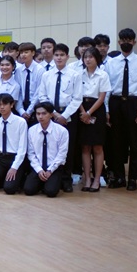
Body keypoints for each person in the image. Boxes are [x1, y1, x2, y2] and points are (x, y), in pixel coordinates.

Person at [104, 28, 137, 191]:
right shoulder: (111, 63)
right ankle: (119, 176)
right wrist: (106, 109)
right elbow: (106, 88)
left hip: (132, 103)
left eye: (129, 40)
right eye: (123, 40)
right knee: (116, 142)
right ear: (119, 42)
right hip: (115, 102)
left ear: (134, 42)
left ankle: (132, 178)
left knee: (134, 142)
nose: (126, 43)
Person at [35, 43, 82, 192]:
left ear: (67, 57)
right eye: (56, 55)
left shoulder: (74, 75)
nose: (59, 58)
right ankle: (50, 176)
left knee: (68, 148)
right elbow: (42, 96)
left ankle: (66, 179)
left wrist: (64, 115)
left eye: (62, 55)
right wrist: (54, 114)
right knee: (50, 146)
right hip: (50, 113)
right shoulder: (46, 75)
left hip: (68, 115)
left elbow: (77, 98)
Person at [78, 47, 110, 193]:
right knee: (85, 147)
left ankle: (97, 179)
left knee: (97, 146)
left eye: (91, 57)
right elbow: (76, 95)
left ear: (97, 58)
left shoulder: (103, 75)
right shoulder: (79, 74)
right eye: (85, 57)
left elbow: (102, 98)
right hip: (81, 108)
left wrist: (89, 113)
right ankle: (87, 178)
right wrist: (83, 112)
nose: (88, 59)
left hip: (97, 109)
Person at [23, 102, 69, 198]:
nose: (40, 117)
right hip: (38, 166)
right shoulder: (31, 130)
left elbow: (62, 154)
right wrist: (39, 170)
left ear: (51, 114)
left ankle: (55, 181)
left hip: (54, 167)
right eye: (38, 114)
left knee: (51, 192)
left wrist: (50, 170)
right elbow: (31, 154)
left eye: (44, 113)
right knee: (28, 190)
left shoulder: (62, 131)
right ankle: (41, 182)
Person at [14, 42, 44, 123]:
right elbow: (18, 91)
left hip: (36, 107)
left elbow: (39, 92)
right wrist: (21, 110)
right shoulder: (18, 70)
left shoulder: (40, 70)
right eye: (21, 53)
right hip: (21, 107)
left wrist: (29, 111)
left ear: (33, 53)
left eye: (26, 52)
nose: (23, 55)